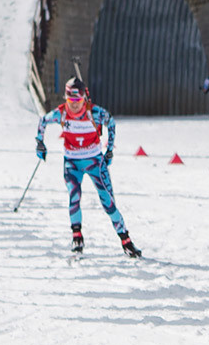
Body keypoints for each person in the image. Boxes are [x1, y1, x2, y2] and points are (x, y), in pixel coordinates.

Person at [36, 77, 139, 256]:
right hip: (72, 162)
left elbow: (111, 123)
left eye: (77, 100)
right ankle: (77, 237)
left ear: (84, 98)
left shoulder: (95, 113)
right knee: (74, 197)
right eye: (70, 100)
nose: (74, 105)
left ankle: (126, 240)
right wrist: (40, 143)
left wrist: (109, 150)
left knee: (108, 201)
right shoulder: (61, 113)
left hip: (94, 162)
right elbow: (43, 122)